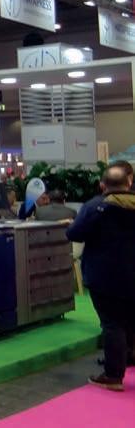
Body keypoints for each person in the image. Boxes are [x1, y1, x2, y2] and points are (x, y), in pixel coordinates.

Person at [66, 165, 135, 391]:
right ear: (129, 183)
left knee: (112, 324)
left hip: (105, 274)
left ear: (102, 185)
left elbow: (74, 234)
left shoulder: (96, 206)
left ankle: (113, 375)